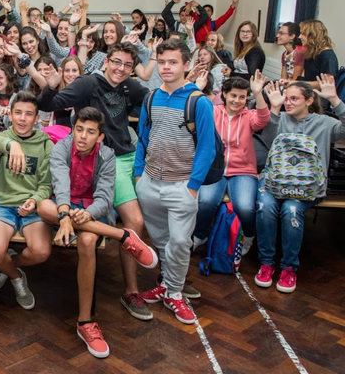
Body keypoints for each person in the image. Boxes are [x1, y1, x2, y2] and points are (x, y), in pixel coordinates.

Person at [38, 42, 155, 321]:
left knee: (157, 215)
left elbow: (152, 101)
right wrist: (51, 85)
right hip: (103, 158)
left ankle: (166, 284)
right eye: (116, 62)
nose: (121, 69)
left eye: (127, 65)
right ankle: (131, 291)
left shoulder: (129, 86)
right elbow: (48, 104)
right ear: (106, 61)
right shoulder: (88, 83)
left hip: (129, 156)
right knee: (135, 221)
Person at [40, 106, 157, 358]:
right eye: (79, 129)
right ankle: (123, 236)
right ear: (73, 130)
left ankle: (85, 322)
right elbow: (60, 183)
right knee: (43, 206)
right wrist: (64, 215)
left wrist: (88, 213)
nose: (83, 136)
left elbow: (105, 198)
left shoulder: (107, 155)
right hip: (64, 205)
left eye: (90, 132)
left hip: (92, 211)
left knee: (87, 241)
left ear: (100, 136)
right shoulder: (61, 148)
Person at [135, 38, 217, 325]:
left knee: (180, 242)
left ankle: (175, 293)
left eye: (173, 62)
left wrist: (192, 186)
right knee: (161, 241)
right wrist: (139, 176)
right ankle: (166, 286)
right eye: (162, 62)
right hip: (149, 183)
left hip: (181, 185)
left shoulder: (198, 101)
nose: (166, 67)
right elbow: (143, 138)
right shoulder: (151, 98)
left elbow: (207, 148)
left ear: (186, 65)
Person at [255, 76, 345, 293]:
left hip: (307, 187)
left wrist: (335, 99)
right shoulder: (281, 119)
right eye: (287, 98)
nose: (288, 102)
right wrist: (274, 108)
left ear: (309, 100)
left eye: (294, 98)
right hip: (275, 180)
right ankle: (266, 263)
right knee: (265, 206)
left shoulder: (324, 123)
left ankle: (289, 268)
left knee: (291, 210)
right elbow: (267, 138)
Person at [0, 91, 53, 310]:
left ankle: (8, 266)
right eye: (18, 113)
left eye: (29, 114)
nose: (23, 118)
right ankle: (16, 277)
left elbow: (46, 185)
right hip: (2, 204)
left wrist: (35, 200)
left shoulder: (45, 144)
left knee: (41, 252)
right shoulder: (2, 137)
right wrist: (13, 145)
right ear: (10, 115)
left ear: (36, 118)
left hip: (31, 207)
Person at [192, 75, 270, 254]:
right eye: (233, 95)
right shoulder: (213, 111)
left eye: (242, 97)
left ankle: (248, 235)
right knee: (205, 201)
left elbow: (264, 119)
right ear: (225, 94)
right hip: (214, 169)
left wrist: (258, 93)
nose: (237, 100)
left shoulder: (249, 116)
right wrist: (197, 89)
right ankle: (200, 235)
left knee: (245, 206)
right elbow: (194, 111)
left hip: (243, 171)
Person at [298, 20, 338, 90]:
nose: (299, 37)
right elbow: (303, 77)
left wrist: (299, 84)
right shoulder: (311, 53)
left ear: (313, 36)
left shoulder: (327, 56)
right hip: (307, 91)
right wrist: (292, 83)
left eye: (303, 34)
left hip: (319, 95)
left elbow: (327, 83)